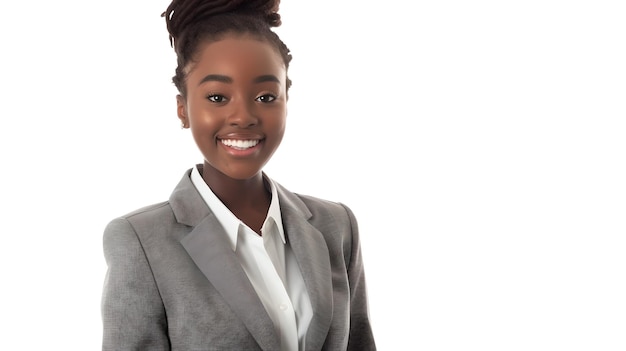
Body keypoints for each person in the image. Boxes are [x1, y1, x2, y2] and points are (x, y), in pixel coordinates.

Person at [101, 0, 376, 350]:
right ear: (183, 110)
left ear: (286, 101)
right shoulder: (139, 242)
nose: (243, 116)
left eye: (265, 96)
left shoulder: (336, 226)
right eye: (217, 97)